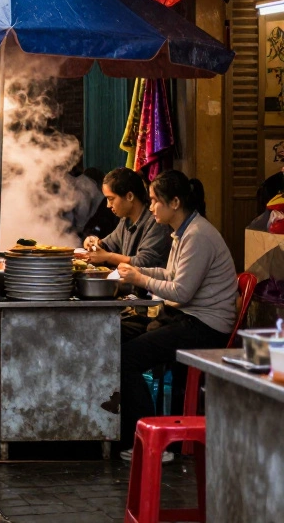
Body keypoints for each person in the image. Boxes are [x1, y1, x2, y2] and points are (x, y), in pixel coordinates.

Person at [116, 171, 238, 461]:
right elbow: (171, 275)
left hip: (205, 326)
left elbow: (181, 291)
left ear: (175, 202)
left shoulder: (198, 235)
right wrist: (137, 272)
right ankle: (123, 431)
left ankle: (153, 444)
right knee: (116, 335)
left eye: (155, 201)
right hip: (185, 317)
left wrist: (140, 279)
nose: (151, 207)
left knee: (127, 357)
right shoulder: (182, 231)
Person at [81, 168, 172, 269]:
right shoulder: (126, 221)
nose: (108, 205)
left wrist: (107, 257)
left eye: (111, 199)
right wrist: (94, 243)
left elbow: (144, 262)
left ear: (129, 196)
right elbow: (108, 245)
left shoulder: (156, 223)